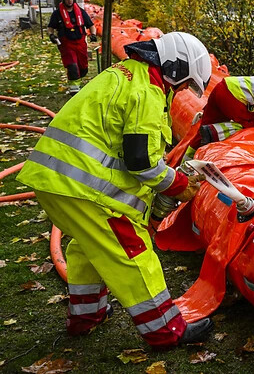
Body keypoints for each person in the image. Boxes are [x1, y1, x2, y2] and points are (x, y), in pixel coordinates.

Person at [17, 32, 215, 350]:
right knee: (133, 255)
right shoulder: (148, 91)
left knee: (87, 249)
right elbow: (141, 162)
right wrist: (178, 184)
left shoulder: (124, 73)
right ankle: (166, 332)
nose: (181, 92)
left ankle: (87, 316)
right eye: (184, 84)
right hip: (84, 189)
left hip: (53, 180)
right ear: (175, 69)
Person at [47, 0, 97, 95]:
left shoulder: (81, 12)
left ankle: (77, 81)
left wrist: (93, 34)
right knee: (72, 66)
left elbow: (91, 25)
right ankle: (74, 91)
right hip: (66, 44)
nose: (70, 1)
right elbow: (50, 27)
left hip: (80, 43)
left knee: (83, 68)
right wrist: (51, 36)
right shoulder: (57, 14)